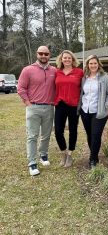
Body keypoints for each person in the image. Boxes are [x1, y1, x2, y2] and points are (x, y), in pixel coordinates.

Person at [18, 46, 56, 176]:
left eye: (46, 54)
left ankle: (43, 155)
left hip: (49, 107)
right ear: (37, 54)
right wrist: (28, 103)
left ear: (49, 55)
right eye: (41, 53)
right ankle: (32, 163)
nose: (43, 56)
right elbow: (21, 88)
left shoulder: (54, 70)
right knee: (32, 136)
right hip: (33, 107)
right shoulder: (28, 70)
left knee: (46, 135)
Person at [78, 55, 108, 168]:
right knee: (90, 135)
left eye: (95, 63)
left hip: (99, 112)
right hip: (85, 111)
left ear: (98, 64)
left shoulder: (104, 77)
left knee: (95, 135)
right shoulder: (84, 77)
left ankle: (92, 160)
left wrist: (105, 106)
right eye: (90, 63)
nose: (93, 65)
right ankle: (94, 155)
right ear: (87, 65)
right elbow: (82, 93)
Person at [54, 50, 83, 168]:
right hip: (60, 104)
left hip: (74, 105)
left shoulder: (79, 72)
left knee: (73, 130)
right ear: (61, 60)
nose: (66, 60)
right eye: (64, 58)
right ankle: (63, 153)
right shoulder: (57, 72)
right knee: (58, 131)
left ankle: (70, 154)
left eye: (69, 58)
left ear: (73, 59)